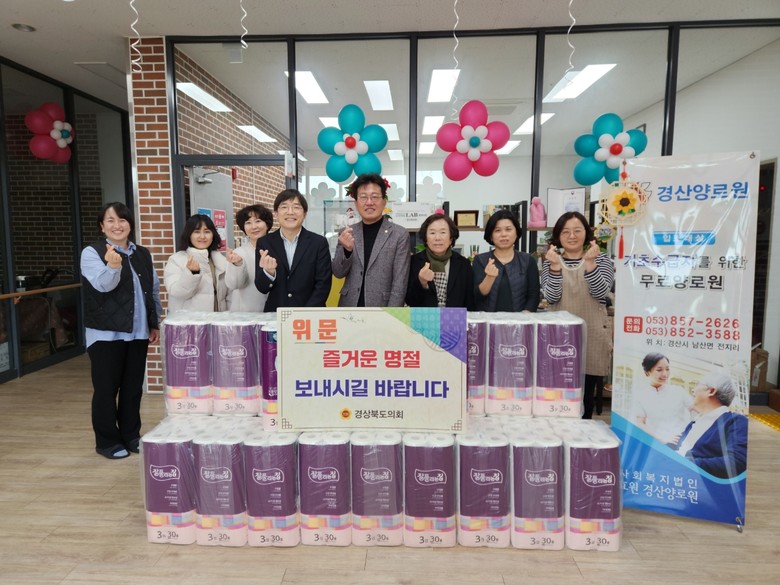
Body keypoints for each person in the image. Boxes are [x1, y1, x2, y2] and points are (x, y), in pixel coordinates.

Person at [80, 202, 162, 460]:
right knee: (106, 390)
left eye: (122, 220)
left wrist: (154, 322)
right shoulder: (92, 253)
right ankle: (107, 442)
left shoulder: (142, 253)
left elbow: (152, 289)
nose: (117, 225)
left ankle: (131, 435)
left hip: (137, 332)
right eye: (110, 220)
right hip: (106, 334)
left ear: (130, 224)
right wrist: (113, 267)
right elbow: (102, 286)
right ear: (102, 226)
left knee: (132, 388)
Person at [541, 211, 614, 419]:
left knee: (586, 396)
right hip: (559, 336)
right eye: (565, 232)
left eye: (577, 230)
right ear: (558, 236)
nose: (572, 236)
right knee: (558, 393)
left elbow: (600, 293)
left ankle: (584, 432)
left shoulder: (603, 260)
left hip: (592, 333)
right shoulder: (550, 261)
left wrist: (590, 265)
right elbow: (551, 297)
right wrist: (555, 268)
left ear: (586, 233)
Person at [332, 173, 410, 307]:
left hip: (382, 307)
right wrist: (347, 251)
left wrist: (392, 314)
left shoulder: (399, 235)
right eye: (363, 197)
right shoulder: (347, 233)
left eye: (375, 197)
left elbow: (400, 283)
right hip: (349, 307)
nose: (369, 202)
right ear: (356, 203)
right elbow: (338, 273)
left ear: (384, 202)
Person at [254, 189, 332, 311]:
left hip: (310, 314)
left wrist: (304, 314)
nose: (290, 212)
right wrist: (269, 273)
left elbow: (323, 285)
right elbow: (261, 288)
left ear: (305, 214)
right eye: (284, 207)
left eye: (296, 207)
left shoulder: (318, 243)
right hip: (276, 314)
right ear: (276, 213)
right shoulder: (265, 243)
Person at [673, 372, 748, 479]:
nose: (693, 390)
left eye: (697, 384)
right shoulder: (692, 424)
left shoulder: (735, 421)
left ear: (711, 391)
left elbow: (736, 462)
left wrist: (685, 463)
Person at [472, 209, 540, 312]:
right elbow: (477, 297)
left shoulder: (528, 261)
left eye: (508, 229)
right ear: (491, 236)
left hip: (520, 319)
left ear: (516, 233)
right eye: (497, 230)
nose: (503, 234)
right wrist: (489, 277)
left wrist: (524, 317)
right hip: (488, 320)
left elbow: (534, 295)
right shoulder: (480, 260)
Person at [405, 213, 475, 309]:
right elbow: (410, 300)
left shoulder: (463, 264)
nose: (437, 238)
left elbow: (470, 302)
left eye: (443, 232)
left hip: (455, 317)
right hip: (425, 317)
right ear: (425, 238)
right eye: (432, 233)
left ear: (451, 238)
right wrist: (422, 282)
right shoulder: (414, 262)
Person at [164, 214, 229, 313]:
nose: (202, 236)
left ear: (213, 235)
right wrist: (191, 274)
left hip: (218, 320)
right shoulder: (176, 260)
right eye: (197, 232)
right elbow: (176, 292)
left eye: (207, 232)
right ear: (189, 235)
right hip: (189, 321)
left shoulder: (220, 260)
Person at [631, 353, 693, 443]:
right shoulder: (641, 396)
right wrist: (662, 439)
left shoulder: (678, 391)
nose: (665, 374)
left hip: (682, 441)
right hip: (657, 443)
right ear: (647, 372)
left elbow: (698, 408)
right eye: (659, 370)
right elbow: (640, 423)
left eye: (667, 369)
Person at [225, 203, 274, 311]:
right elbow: (234, 285)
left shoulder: (277, 250)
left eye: (258, 221)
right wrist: (237, 264)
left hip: (274, 311)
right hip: (246, 314)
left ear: (267, 224)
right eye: (248, 223)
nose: (254, 227)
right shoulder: (238, 253)